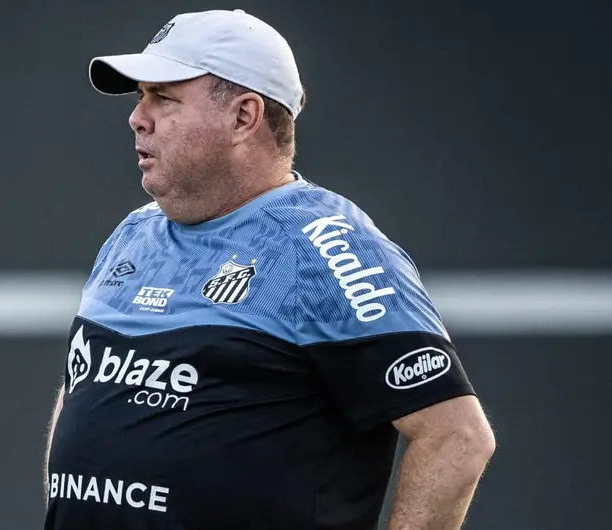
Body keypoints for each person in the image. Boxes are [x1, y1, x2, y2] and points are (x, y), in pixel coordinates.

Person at [43, 9, 495, 530]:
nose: (137, 117)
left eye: (163, 97)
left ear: (243, 116)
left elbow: (456, 437)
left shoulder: (324, 245)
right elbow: (84, 393)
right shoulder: (133, 233)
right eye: (141, 96)